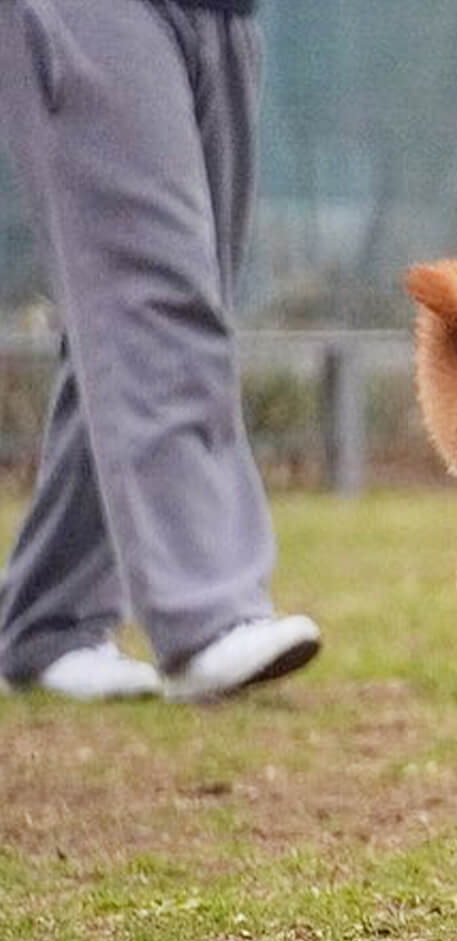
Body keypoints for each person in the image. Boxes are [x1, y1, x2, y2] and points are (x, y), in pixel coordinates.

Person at [0, 0, 318, 701]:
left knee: (157, 314)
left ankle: (48, 621)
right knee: (155, 300)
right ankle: (209, 613)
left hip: (226, 15)